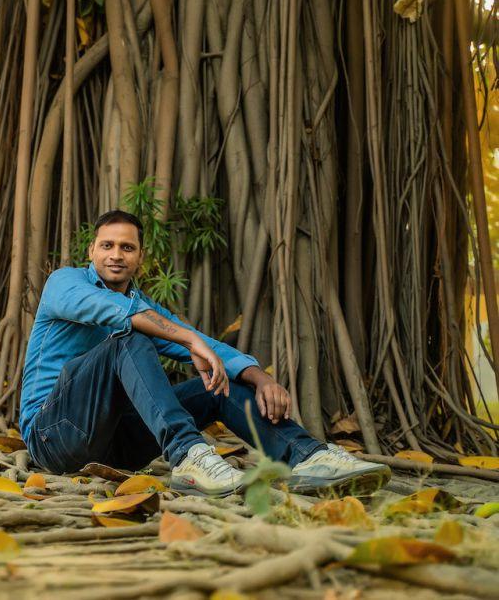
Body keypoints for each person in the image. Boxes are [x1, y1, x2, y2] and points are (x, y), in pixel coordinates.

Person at [20, 210, 390, 497]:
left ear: (140, 257)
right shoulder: (65, 282)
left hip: (116, 447)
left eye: (127, 247)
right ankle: (188, 457)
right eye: (107, 245)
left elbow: (204, 344)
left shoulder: (142, 306)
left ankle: (308, 456)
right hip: (53, 437)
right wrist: (187, 340)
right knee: (127, 338)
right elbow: (113, 313)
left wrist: (258, 377)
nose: (116, 255)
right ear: (92, 251)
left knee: (217, 383)